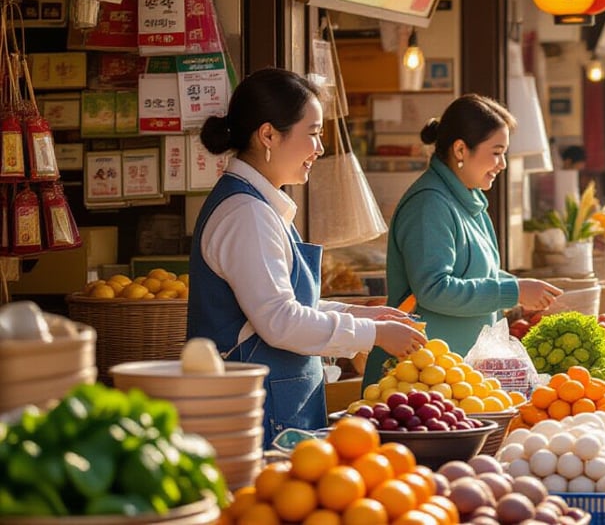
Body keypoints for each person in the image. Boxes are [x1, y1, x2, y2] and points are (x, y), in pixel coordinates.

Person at [188, 68, 427, 444]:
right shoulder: (246, 214)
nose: (320, 148)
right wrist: (374, 332)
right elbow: (280, 321)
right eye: (313, 133)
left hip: (278, 406)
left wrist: (358, 314)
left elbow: (284, 307)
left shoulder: (259, 206)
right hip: (259, 414)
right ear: (268, 135)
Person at [368, 94, 561, 379]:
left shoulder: (468, 202)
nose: (503, 164)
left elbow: (479, 275)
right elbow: (434, 289)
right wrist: (515, 291)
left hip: (453, 377)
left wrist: (524, 291)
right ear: (460, 150)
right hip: (415, 378)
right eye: (496, 152)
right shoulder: (429, 204)